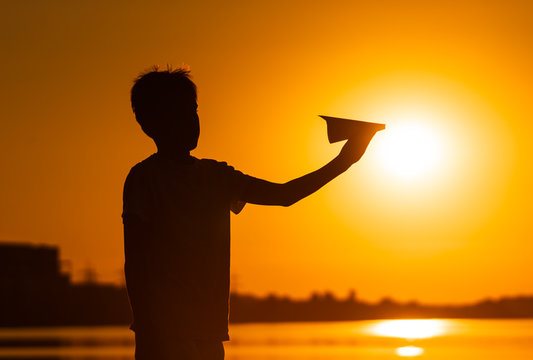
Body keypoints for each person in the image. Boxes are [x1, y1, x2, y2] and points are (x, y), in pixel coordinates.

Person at [122, 67, 375, 360]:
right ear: (150, 124)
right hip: (162, 336)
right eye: (178, 113)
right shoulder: (144, 178)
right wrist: (149, 330)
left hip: (208, 334)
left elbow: (284, 195)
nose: (191, 121)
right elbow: (135, 263)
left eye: (193, 111)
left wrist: (344, 161)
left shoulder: (217, 176)